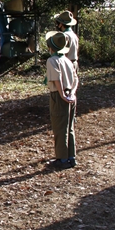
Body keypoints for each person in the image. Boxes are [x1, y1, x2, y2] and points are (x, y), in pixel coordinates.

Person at [45, 31, 78, 169]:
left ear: (51, 48)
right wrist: (73, 93)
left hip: (59, 96)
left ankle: (62, 159)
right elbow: (76, 79)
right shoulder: (67, 60)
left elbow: (57, 80)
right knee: (69, 127)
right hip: (71, 95)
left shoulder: (52, 60)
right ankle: (71, 156)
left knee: (59, 128)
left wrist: (63, 94)